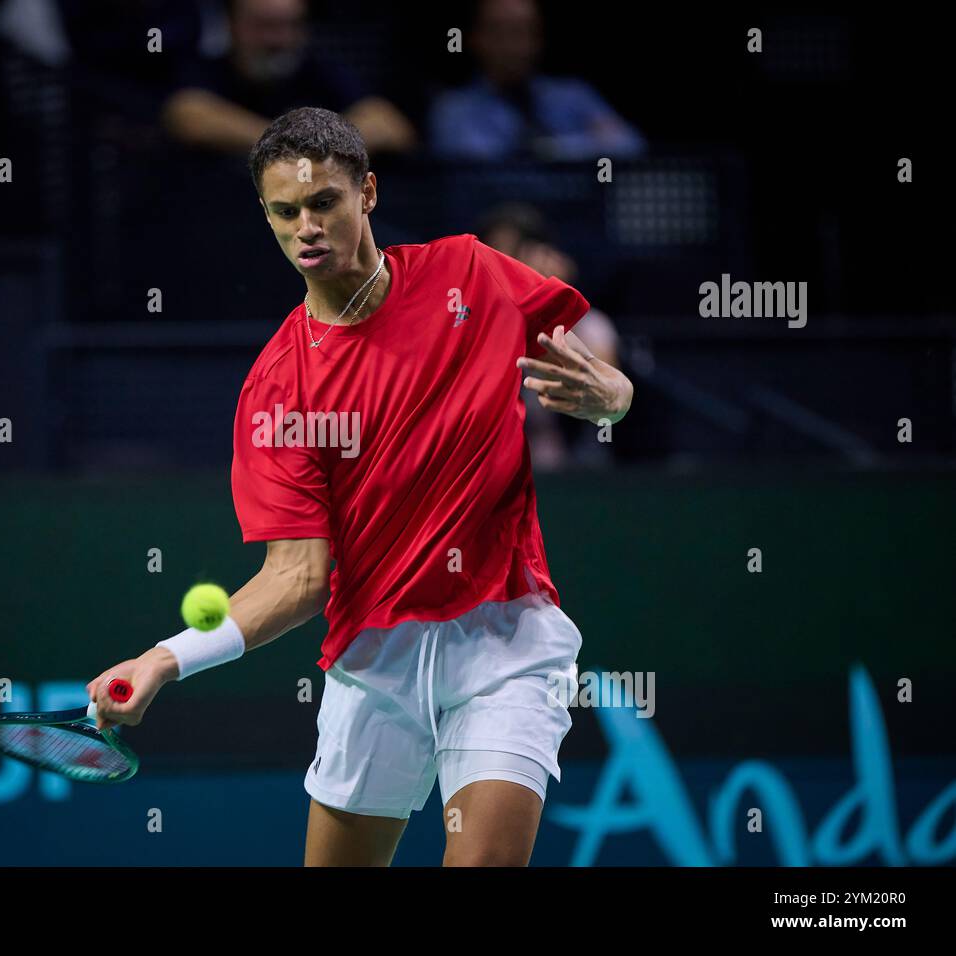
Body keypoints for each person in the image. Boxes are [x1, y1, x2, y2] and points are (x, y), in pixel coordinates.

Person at [86, 107, 632, 866]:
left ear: (367, 193)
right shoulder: (280, 389)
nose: (305, 227)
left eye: (323, 203)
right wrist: (162, 658)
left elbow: (594, 365)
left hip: (505, 639)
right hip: (377, 664)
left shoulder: (469, 275)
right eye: (284, 212)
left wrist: (615, 398)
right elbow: (298, 576)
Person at [161, 0, 416, 155]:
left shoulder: (320, 72)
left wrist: (316, 148)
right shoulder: (207, 70)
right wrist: (291, 147)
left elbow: (389, 127)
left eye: (291, 25)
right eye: (265, 26)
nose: (279, 40)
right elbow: (187, 116)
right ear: (232, 25)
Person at [476, 201, 622, 468]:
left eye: (511, 254)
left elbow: (602, 394)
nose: (501, 265)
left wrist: (556, 302)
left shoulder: (590, 326)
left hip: (576, 468)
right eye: (493, 253)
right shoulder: (470, 322)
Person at [427, 0, 644, 161]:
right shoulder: (453, 109)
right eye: (501, 32)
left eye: (523, 32)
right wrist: (585, 142)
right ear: (476, 39)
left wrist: (552, 149)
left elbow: (628, 145)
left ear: (538, 40)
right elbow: (481, 163)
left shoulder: (572, 95)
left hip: (576, 217)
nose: (513, 45)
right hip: (494, 217)